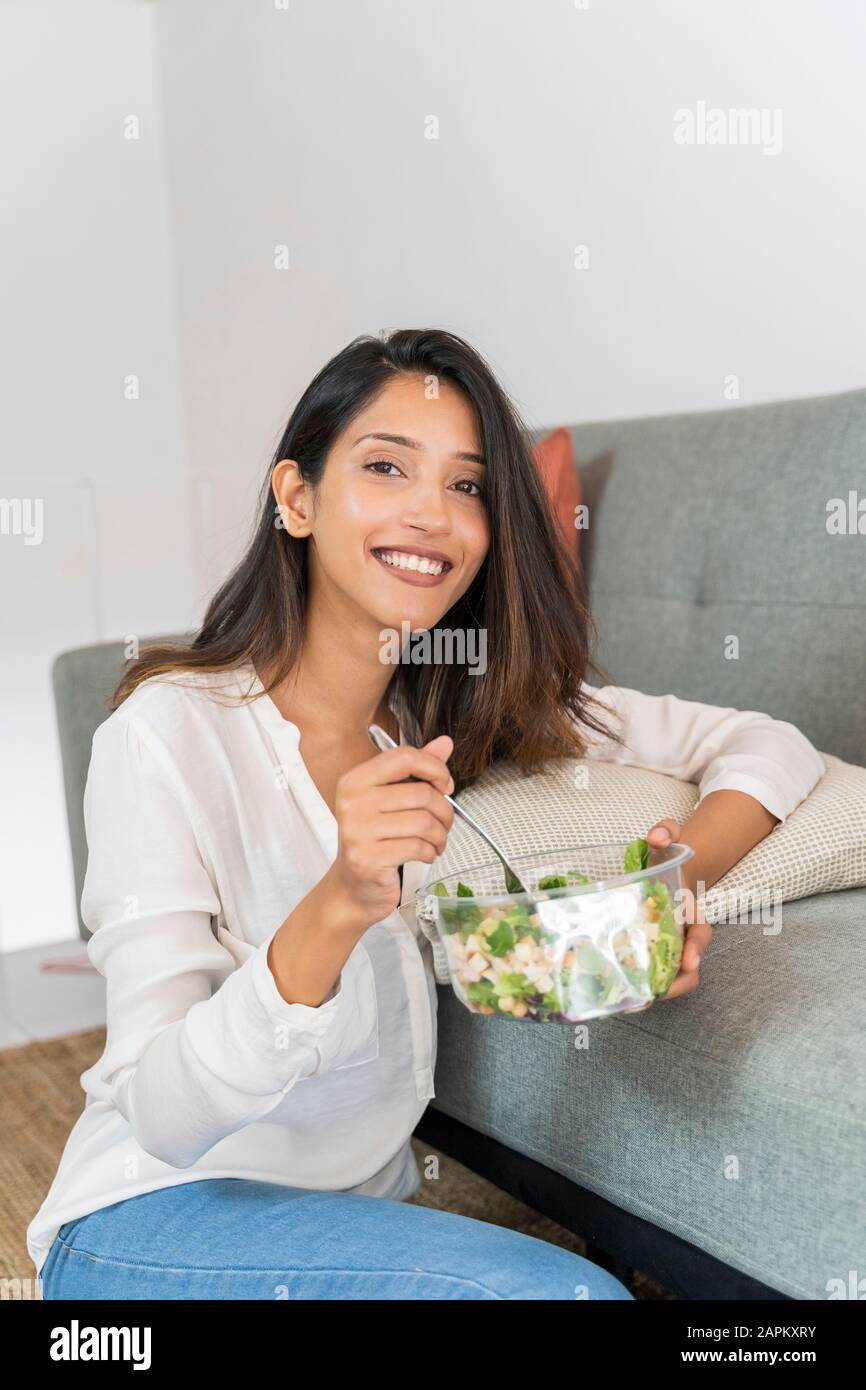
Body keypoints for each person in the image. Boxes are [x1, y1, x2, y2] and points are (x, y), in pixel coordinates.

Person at [30, 329, 824, 1299]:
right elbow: (161, 1113)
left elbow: (764, 745)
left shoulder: (450, 710)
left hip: (358, 1211)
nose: (431, 514)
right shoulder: (163, 738)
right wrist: (337, 900)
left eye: (467, 485)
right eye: (385, 467)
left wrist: (664, 888)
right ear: (296, 498)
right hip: (147, 1220)